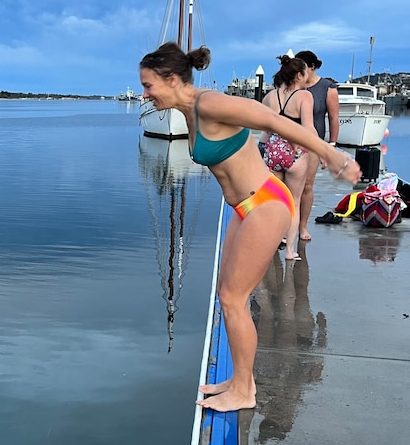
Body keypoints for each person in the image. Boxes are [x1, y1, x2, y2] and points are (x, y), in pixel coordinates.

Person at [139, 42, 360, 413]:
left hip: (266, 205)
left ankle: (245, 391)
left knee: (233, 299)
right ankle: (241, 379)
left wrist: (332, 154)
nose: (144, 95)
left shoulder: (208, 104)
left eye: (148, 86)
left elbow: (272, 120)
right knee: (227, 294)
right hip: (245, 207)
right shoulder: (190, 112)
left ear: (172, 79)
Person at [258, 55, 317, 261]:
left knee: (275, 201)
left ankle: (271, 243)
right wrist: (324, 150)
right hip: (295, 152)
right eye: (306, 72)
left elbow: (264, 131)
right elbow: (308, 127)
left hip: (273, 149)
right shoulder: (304, 97)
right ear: (299, 75)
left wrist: (263, 152)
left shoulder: (270, 96)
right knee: (294, 201)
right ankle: (290, 251)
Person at [296, 50, 339, 241]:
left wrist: (331, 146)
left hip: (314, 143)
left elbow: (334, 118)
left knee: (307, 186)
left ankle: (302, 227)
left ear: (312, 67)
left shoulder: (327, 88)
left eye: (302, 66)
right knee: (287, 187)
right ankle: (284, 226)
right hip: (291, 142)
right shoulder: (293, 85)